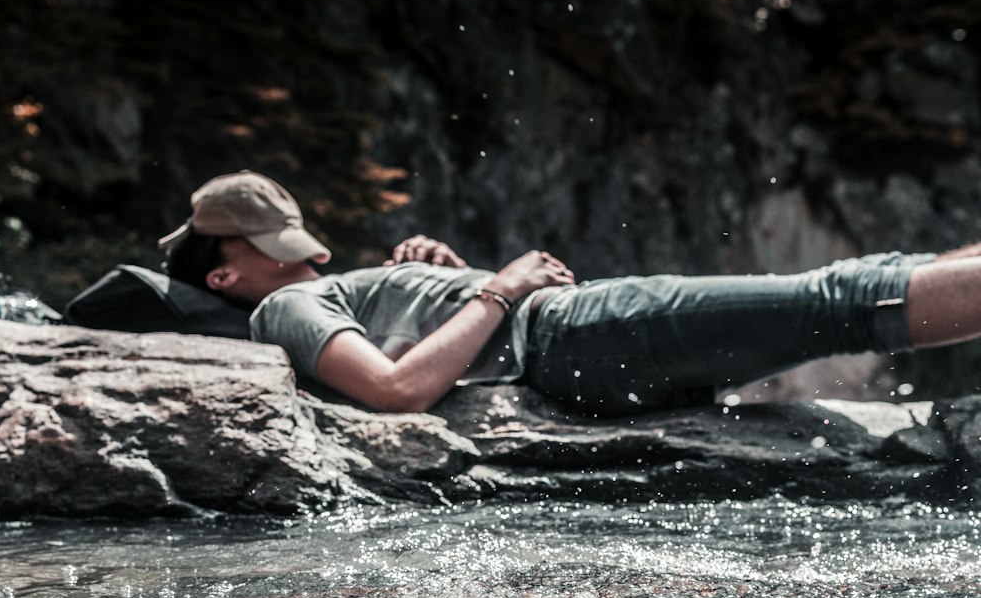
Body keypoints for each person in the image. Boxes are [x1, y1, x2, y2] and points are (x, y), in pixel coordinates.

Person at [159, 170, 981, 415]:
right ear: (227, 275)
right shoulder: (280, 308)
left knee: (860, 285)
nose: (297, 258)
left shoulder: (331, 290)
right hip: (575, 333)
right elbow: (395, 389)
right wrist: (498, 290)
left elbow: (425, 352)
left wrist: (442, 283)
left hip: (575, 337)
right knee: (839, 299)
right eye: (267, 246)